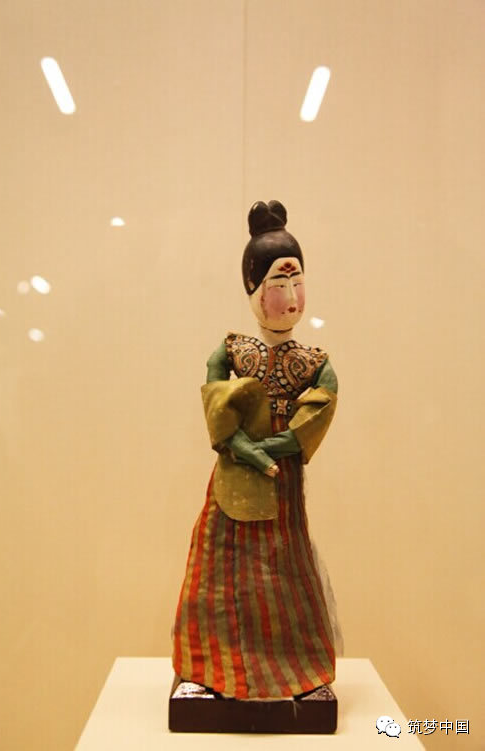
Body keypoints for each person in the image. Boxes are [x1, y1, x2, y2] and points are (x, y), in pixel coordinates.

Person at [172, 200, 339, 700]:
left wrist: (278, 445)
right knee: (216, 566)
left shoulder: (313, 361)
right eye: (277, 284)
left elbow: (320, 408)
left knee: (285, 568)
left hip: (281, 483)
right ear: (253, 290)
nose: (290, 297)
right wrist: (243, 446)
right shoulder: (233, 351)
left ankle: (300, 672)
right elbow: (215, 404)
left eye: (296, 281)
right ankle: (206, 668)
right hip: (236, 478)